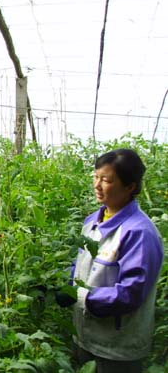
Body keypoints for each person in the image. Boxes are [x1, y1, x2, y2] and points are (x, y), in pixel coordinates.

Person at [64, 149, 164, 372]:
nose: (97, 185)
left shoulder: (139, 233)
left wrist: (80, 297)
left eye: (106, 180)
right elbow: (80, 264)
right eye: (95, 177)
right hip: (85, 337)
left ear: (130, 187)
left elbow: (131, 293)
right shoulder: (92, 222)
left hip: (117, 348)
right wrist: (64, 283)